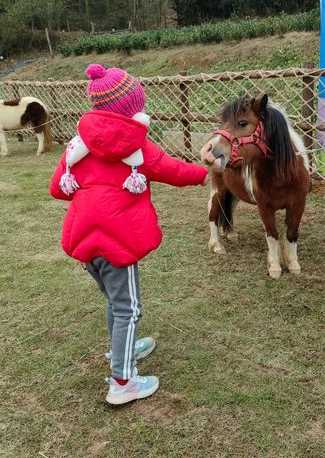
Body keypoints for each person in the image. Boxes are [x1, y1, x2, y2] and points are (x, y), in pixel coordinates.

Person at [50, 64, 209, 405]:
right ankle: (123, 382)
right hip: (117, 245)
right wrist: (206, 173)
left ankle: (122, 348)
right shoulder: (137, 147)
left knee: (115, 301)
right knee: (128, 308)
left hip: (84, 243)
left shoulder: (76, 146)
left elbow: (57, 189)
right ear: (131, 108)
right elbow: (175, 171)